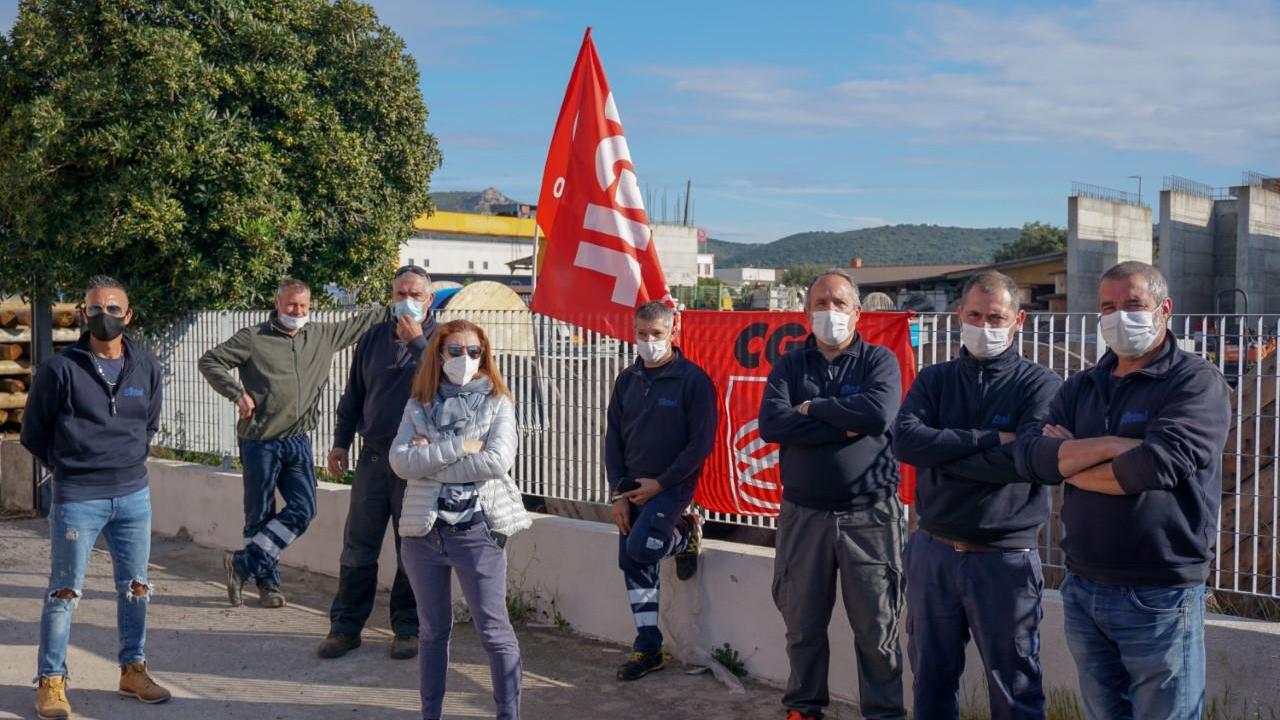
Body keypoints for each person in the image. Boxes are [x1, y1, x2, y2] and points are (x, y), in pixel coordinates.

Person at [1016, 261, 1231, 720]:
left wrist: (1072, 462)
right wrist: (1113, 446)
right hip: (1082, 586)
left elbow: (1156, 465)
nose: (1119, 317)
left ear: (1164, 309)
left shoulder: (1195, 381)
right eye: (1108, 307)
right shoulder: (1082, 386)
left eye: (1133, 304)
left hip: (1160, 592)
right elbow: (1034, 457)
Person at [892, 271, 1062, 719]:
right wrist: (989, 439)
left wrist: (941, 452)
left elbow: (1027, 459)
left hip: (1005, 560)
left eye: (995, 317)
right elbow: (905, 442)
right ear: (958, 315)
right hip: (933, 553)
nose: (984, 326)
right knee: (930, 683)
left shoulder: (1040, 385)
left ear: (1018, 320)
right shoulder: (934, 380)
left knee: (1015, 689)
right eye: (974, 315)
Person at [758, 269, 906, 720]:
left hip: (870, 516)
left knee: (877, 629)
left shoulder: (879, 361)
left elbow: (877, 414)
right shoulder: (790, 365)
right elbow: (772, 424)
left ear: (857, 312)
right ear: (806, 312)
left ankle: (883, 714)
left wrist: (813, 409)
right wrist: (843, 425)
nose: (830, 311)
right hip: (804, 515)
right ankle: (804, 708)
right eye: (820, 303)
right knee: (802, 626)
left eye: (839, 303)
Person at [22, 276, 171, 720]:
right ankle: (51, 680)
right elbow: (33, 432)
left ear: (129, 316)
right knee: (64, 593)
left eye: (112, 309)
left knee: (136, 588)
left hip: (133, 495)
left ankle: (133, 670)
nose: (103, 316)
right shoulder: (60, 369)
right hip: (77, 498)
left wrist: (123, 460)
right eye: (94, 309)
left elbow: (148, 426)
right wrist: (70, 466)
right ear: (83, 315)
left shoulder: (147, 367)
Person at [198, 278, 388, 608]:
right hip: (259, 441)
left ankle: (243, 563)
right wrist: (237, 393)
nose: (297, 311)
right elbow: (210, 360)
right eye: (291, 304)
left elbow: (361, 323)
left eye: (303, 305)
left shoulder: (321, 335)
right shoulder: (253, 338)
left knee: (304, 509)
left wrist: (399, 307)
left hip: (298, 440)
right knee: (259, 515)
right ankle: (268, 584)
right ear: (277, 304)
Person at [389, 318, 530, 720]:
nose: (464, 358)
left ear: (484, 357)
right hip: (423, 534)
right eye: (455, 350)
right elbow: (400, 462)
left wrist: (430, 454)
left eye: (474, 352)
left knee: (495, 632)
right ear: (438, 355)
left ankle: (508, 715)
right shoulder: (418, 404)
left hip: (476, 531)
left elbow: (496, 462)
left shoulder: (498, 402)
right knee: (432, 632)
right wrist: (460, 446)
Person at [319, 265, 436, 660]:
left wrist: (417, 342)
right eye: (401, 293)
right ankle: (345, 627)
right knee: (358, 547)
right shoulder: (372, 339)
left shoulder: (443, 341)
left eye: (415, 294)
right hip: (373, 458)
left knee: (412, 549)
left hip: (418, 464)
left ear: (429, 299)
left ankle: (407, 629)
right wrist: (340, 443)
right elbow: (354, 394)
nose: (407, 301)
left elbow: (449, 386)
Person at [605, 301, 718, 681]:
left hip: (672, 485)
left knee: (642, 548)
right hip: (631, 486)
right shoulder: (627, 380)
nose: (649, 341)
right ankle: (648, 647)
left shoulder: (693, 380)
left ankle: (685, 533)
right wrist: (619, 495)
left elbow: (700, 445)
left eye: (657, 333)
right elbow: (613, 439)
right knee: (632, 561)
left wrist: (662, 484)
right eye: (642, 334)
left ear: (673, 332)